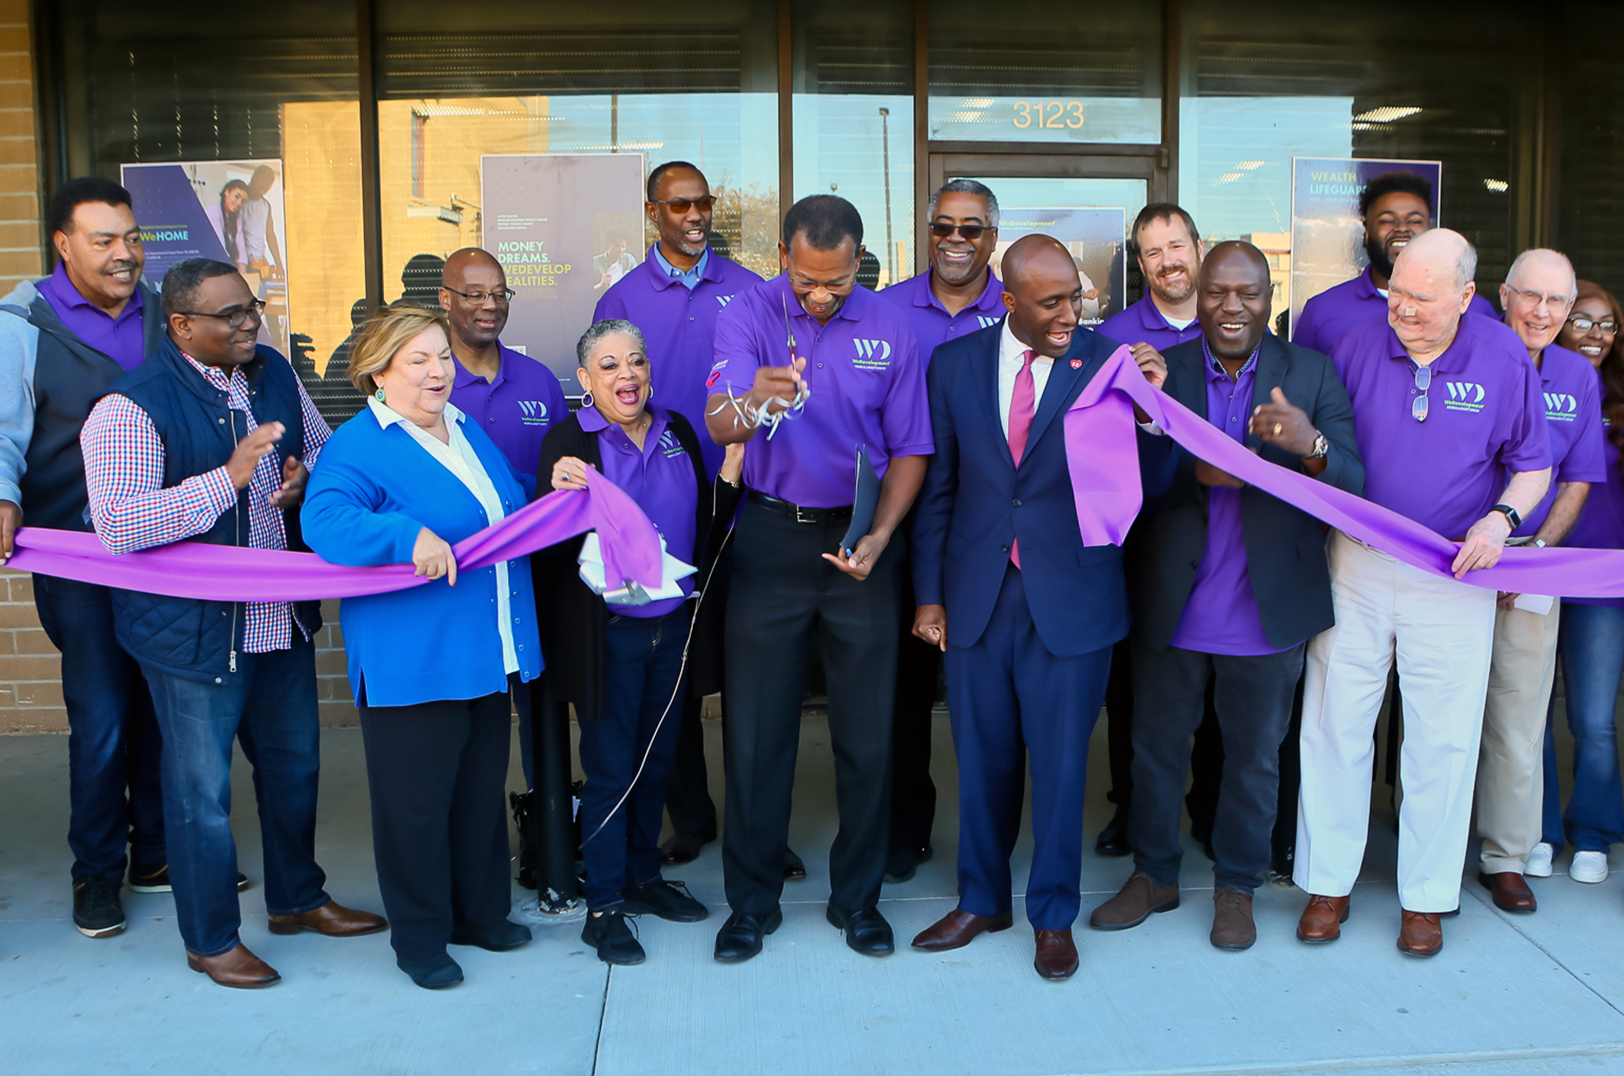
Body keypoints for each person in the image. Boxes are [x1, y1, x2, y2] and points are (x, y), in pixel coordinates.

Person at [80, 258, 386, 988]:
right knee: (200, 797)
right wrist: (230, 480)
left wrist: (303, 479)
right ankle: (211, 938)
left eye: (252, 307)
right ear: (182, 325)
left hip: (278, 622)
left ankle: (297, 900)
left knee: (294, 771)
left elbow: (320, 448)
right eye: (231, 315)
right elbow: (118, 524)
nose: (250, 322)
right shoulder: (130, 407)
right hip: (193, 635)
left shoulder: (273, 370)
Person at [908, 234, 1175, 980]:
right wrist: (929, 595)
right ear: (1008, 299)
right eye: (1051, 302)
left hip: (1073, 597)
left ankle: (1051, 916)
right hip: (977, 596)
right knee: (980, 762)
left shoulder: (1108, 360)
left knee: (1060, 770)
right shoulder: (954, 364)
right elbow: (941, 489)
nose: (1070, 314)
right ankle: (981, 900)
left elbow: (1148, 481)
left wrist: (1152, 412)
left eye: (1076, 298)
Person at [1089, 242, 1363, 951]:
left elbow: (1355, 486)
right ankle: (1154, 874)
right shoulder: (1162, 371)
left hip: (1269, 608)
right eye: (1218, 293)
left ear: (1269, 298)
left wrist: (1311, 447)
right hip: (1174, 603)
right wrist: (1175, 455)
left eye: (1247, 293)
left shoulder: (1311, 372)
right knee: (1153, 750)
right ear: (1199, 297)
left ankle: (1237, 886)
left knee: (1253, 759)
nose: (1232, 307)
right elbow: (1123, 481)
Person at [1295, 229, 1552, 958]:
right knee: (1335, 722)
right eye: (1396, 291)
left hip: (1455, 572)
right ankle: (1327, 883)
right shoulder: (1354, 342)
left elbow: (1532, 466)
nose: (1401, 309)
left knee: (1442, 736)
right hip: (1358, 559)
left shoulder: (1503, 356)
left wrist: (1501, 522)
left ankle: (1427, 898)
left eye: (1421, 298)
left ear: (1467, 297)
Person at [704, 195, 932, 963]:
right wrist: (756, 398)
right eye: (807, 280)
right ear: (782, 256)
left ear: (860, 263)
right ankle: (751, 903)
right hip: (771, 537)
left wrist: (880, 535)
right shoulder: (747, 312)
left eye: (836, 282)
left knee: (868, 734)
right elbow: (718, 421)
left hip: (859, 544)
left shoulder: (893, 324)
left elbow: (910, 450)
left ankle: (857, 900)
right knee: (757, 732)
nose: (821, 296)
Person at [301, 303, 536, 990]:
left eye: (442, 355)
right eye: (418, 360)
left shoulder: (463, 429)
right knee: (416, 809)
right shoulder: (360, 444)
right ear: (378, 374)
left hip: (485, 650)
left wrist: (549, 491)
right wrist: (404, 536)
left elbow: (499, 506)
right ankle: (422, 939)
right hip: (415, 660)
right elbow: (326, 520)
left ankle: (480, 915)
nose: (439, 371)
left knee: (476, 797)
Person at [536, 318, 745, 965]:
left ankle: (642, 878)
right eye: (609, 366)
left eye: (636, 362)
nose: (626, 376)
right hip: (609, 638)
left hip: (673, 629)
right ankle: (602, 905)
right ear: (585, 380)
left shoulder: (678, 428)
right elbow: (551, 541)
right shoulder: (570, 442)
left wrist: (736, 462)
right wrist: (556, 485)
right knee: (610, 770)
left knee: (656, 762)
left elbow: (709, 524)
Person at [0, 177, 168, 940]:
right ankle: (95, 874)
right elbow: (1, 431)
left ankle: (157, 854)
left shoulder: (168, 312)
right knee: (101, 717)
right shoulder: (21, 322)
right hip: (78, 554)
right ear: (63, 244)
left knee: (166, 710)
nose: (123, 254)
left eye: (131, 238)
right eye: (103, 240)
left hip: (171, 547)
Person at [593, 161, 764, 868]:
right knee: (680, 676)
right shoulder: (622, 297)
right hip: (666, 518)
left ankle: (760, 827)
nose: (695, 216)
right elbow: (611, 395)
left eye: (703, 204)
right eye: (679, 205)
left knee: (753, 674)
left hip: (749, 506)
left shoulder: (754, 291)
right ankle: (691, 817)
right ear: (652, 212)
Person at [876, 178, 1004, 884]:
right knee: (903, 694)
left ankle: (989, 839)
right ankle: (905, 830)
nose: (955, 241)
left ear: (993, 238)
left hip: (987, 531)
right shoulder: (888, 308)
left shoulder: (1016, 313)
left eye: (971, 229)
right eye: (944, 228)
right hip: (902, 524)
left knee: (986, 696)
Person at [1474, 250, 1603, 913]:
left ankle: (1506, 855)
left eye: (1559, 302)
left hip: (1532, 560)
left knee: (1520, 718)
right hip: (1453, 560)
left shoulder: (1578, 375)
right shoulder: (1470, 352)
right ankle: (1429, 843)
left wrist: (1533, 554)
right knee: (1439, 714)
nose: (1545, 313)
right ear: (1504, 295)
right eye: (1533, 297)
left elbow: (1577, 477)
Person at [1094, 202, 1214, 860]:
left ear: (1199, 247)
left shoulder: (1234, 322)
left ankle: (1209, 803)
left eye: (1177, 246)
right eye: (1153, 252)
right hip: (1140, 532)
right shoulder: (1114, 336)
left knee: (1217, 678)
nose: (1168, 261)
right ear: (1140, 265)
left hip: (1223, 527)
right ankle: (1130, 806)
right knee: (1134, 682)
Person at [439, 247, 567, 789]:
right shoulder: (429, 381)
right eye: (474, 294)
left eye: (499, 294)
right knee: (469, 720)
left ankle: (550, 832)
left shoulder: (538, 380)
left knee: (543, 712)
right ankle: (476, 841)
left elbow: (568, 473)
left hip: (534, 575)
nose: (490, 306)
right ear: (445, 300)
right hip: (458, 577)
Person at [1536, 280, 1624, 884]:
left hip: (1602, 575)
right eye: (1583, 320)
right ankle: (1537, 830)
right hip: (1533, 563)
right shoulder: (1535, 382)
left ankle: (1591, 833)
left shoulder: (1619, 400)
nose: (1594, 333)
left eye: (1607, 323)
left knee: (1593, 718)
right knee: (1530, 711)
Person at [1292, 172, 1497, 356]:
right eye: (1387, 220)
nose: (1401, 229)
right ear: (1367, 233)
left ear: (1431, 229)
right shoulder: (1322, 310)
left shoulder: (1472, 306)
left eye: (1414, 221)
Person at [239, 165, 283, 281]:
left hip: (259, 262)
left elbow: (270, 235)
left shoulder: (266, 206)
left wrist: (279, 264)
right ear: (254, 178)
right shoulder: (238, 201)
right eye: (262, 187)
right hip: (242, 261)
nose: (263, 192)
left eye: (266, 189)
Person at [204, 179, 248, 271]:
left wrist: (244, 280)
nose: (239, 203)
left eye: (243, 201)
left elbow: (242, 255)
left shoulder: (237, 219)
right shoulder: (213, 210)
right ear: (226, 192)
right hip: (210, 268)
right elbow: (220, 249)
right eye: (236, 196)